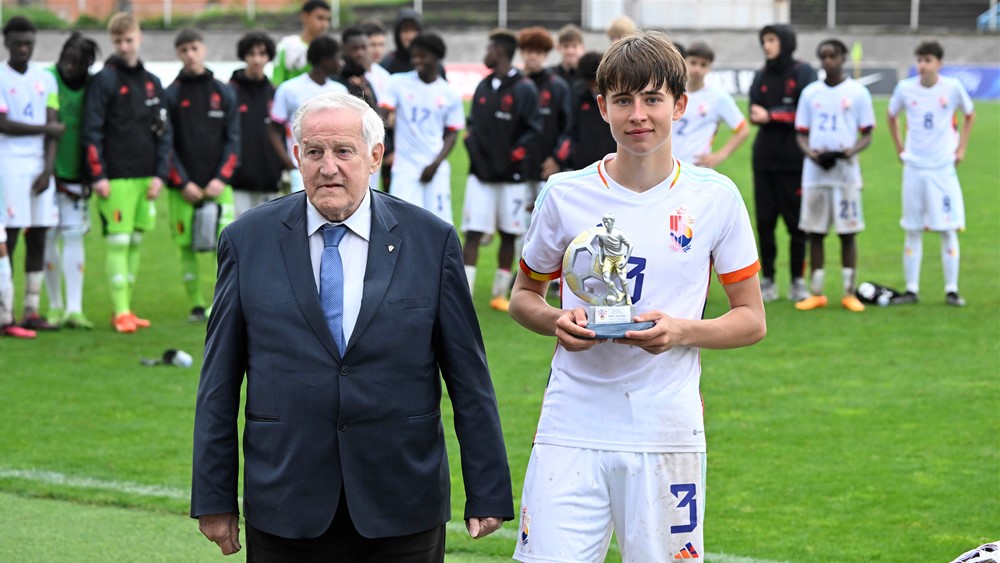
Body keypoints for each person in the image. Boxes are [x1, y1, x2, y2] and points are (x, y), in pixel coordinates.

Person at [191, 91, 514, 561]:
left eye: (344, 151)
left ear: (375, 156)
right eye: (314, 152)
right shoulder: (246, 240)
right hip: (286, 500)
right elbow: (218, 383)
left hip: (402, 499)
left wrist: (487, 489)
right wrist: (213, 497)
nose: (328, 167)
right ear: (297, 156)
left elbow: (469, 379)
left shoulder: (431, 240)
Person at [509, 31, 766, 563]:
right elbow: (523, 296)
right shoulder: (564, 193)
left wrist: (680, 331)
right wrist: (557, 320)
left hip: (665, 428)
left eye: (653, 98)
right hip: (571, 424)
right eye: (623, 100)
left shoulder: (715, 197)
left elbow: (751, 319)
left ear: (680, 105)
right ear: (603, 107)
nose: (638, 115)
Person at [887, 40, 975, 307]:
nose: (922, 66)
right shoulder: (905, 88)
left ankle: (951, 289)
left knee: (947, 228)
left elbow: (970, 115)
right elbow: (891, 116)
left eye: (927, 60)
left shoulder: (952, 88)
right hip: (915, 167)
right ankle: (911, 289)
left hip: (942, 167)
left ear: (939, 63)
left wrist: (961, 148)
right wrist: (900, 149)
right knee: (912, 228)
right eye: (919, 60)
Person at [793, 39, 875, 313]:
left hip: (845, 173)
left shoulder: (858, 93)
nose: (828, 61)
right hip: (815, 174)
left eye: (833, 56)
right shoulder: (810, 93)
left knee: (848, 232)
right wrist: (811, 154)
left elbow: (867, 134)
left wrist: (851, 150)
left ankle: (849, 292)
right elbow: (801, 134)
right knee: (815, 232)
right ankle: (816, 292)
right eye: (824, 56)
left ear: (843, 58)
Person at [462, 29, 541, 311]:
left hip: (511, 179)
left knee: (508, 234)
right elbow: (471, 127)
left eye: (490, 49)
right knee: (472, 233)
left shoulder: (525, 88)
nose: (486, 53)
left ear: (501, 52)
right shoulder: (483, 86)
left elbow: (533, 130)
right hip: (480, 176)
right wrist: (476, 154)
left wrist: (511, 158)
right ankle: (465, 292)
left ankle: (499, 294)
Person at [164, 29, 239, 322]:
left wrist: (221, 178)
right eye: (184, 50)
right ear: (177, 54)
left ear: (204, 49)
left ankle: (221, 301)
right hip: (182, 189)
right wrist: (182, 182)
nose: (190, 55)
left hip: (219, 187)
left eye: (194, 48)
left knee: (225, 246)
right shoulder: (171, 94)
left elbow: (234, 140)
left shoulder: (223, 92)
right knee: (186, 247)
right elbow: (165, 144)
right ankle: (196, 304)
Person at [0, 16, 62, 332]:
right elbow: (3, 124)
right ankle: (4, 311)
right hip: (9, 165)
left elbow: (55, 126)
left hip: (40, 166)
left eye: (28, 43)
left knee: (38, 235)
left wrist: (48, 169)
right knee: (9, 236)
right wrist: (45, 128)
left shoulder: (46, 78)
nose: (23, 48)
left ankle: (31, 310)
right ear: (6, 42)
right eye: (17, 43)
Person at [749, 24, 817, 303]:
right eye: (764, 40)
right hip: (764, 160)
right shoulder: (760, 75)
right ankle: (768, 280)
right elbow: (753, 111)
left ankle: (798, 281)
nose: (766, 45)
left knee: (797, 225)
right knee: (765, 223)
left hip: (794, 161)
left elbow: (806, 112)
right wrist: (771, 115)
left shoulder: (804, 72)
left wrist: (772, 116)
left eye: (772, 40)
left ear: (786, 42)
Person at [43, 32, 99, 329]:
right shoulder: (47, 78)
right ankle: (54, 306)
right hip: (45, 174)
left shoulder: (93, 86)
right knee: (48, 237)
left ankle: (74, 309)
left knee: (74, 236)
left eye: (76, 63)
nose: (69, 67)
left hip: (78, 176)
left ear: (87, 64)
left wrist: (93, 172)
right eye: (66, 60)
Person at [378, 33, 464, 224]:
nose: (417, 60)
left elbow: (452, 134)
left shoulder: (450, 93)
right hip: (405, 169)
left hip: (435, 169)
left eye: (422, 56)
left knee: (439, 225)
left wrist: (435, 164)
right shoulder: (398, 83)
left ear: (437, 56)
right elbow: (380, 116)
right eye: (414, 56)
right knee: (401, 223)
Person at [270, 36, 348, 193]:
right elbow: (273, 130)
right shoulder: (289, 89)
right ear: (325, 59)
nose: (342, 63)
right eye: (338, 58)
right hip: (302, 169)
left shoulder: (340, 90)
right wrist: (290, 163)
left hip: (333, 167)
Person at [229, 31, 283, 217]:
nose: (257, 59)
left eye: (262, 54)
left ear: (269, 57)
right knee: (239, 231)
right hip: (237, 181)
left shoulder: (275, 93)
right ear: (244, 56)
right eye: (251, 54)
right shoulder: (230, 91)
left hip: (270, 179)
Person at [674, 41, 749, 168]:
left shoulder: (718, 97)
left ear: (710, 68)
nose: (697, 69)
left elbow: (743, 130)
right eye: (693, 63)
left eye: (703, 65)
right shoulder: (672, 92)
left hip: (697, 168)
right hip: (668, 166)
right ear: (684, 62)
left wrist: (720, 155)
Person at [518, 27, 573, 187]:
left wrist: (557, 158)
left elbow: (569, 129)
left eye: (538, 52)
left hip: (548, 171)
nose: (533, 56)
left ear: (546, 55)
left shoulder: (558, 86)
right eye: (529, 51)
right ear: (521, 53)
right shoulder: (513, 85)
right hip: (517, 169)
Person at [567, 51, 617, 171]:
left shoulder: (615, 97)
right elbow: (570, 129)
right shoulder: (577, 96)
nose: (594, 86)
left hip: (611, 162)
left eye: (596, 82)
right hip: (583, 165)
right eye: (590, 82)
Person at [272, 0, 331, 86]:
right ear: (305, 16)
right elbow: (277, 82)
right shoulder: (287, 46)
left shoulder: (328, 49)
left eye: (327, 19)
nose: (325, 24)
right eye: (320, 18)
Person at [380, 8, 423, 75]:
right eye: (405, 30)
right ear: (397, 34)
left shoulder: (429, 63)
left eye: (413, 30)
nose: (410, 36)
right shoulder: (387, 64)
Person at [361, 20, 392, 102]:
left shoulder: (384, 75)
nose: (377, 50)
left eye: (381, 45)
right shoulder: (354, 75)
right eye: (372, 44)